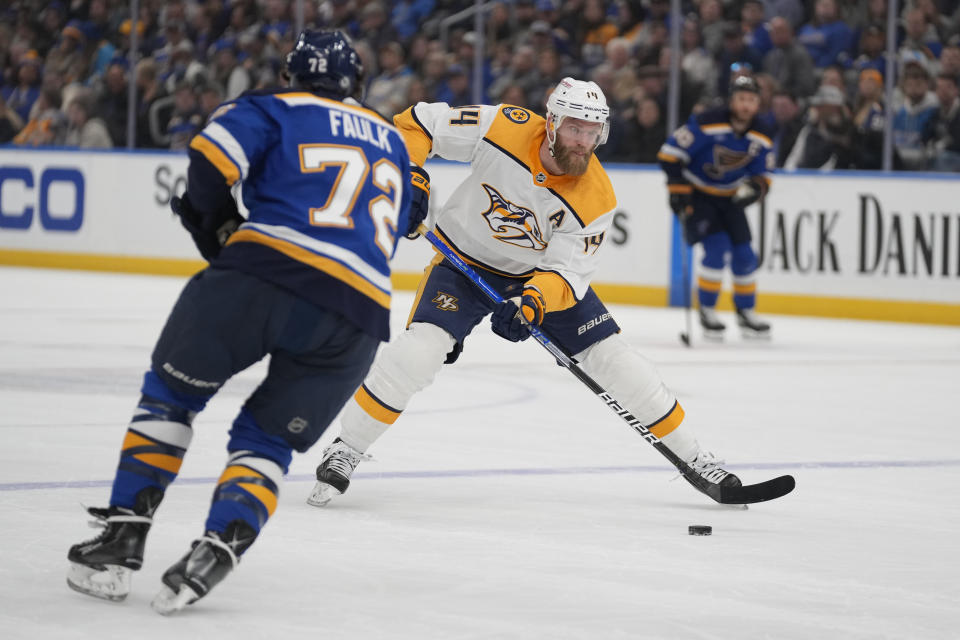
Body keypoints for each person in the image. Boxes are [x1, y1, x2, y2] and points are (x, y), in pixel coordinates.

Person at [66, 29, 423, 615]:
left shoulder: (269, 106)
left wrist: (216, 221)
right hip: (358, 315)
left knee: (170, 398)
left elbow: (210, 157)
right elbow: (413, 213)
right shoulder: (391, 140)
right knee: (266, 442)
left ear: (291, 74)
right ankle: (215, 552)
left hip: (263, 274)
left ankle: (122, 539)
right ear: (356, 85)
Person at [306, 77, 743, 511]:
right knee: (418, 354)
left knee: (617, 362)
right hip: (463, 263)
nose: (583, 142)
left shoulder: (597, 196)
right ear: (551, 123)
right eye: (575, 128)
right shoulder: (505, 127)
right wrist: (413, 178)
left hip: (535, 279)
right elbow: (417, 122)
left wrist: (532, 302)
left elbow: (566, 273)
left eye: (593, 132)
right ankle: (346, 448)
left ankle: (696, 460)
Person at [658, 75, 774, 339]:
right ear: (732, 100)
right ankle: (707, 310)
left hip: (730, 199)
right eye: (741, 99)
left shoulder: (763, 132)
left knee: (745, 254)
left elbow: (763, 172)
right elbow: (669, 154)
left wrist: (755, 188)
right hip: (698, 196)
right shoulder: (707, 122)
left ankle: (746, 313)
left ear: (758, 104)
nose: (746, 105)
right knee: (717, 248)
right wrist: (677, 189)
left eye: (752, 100)